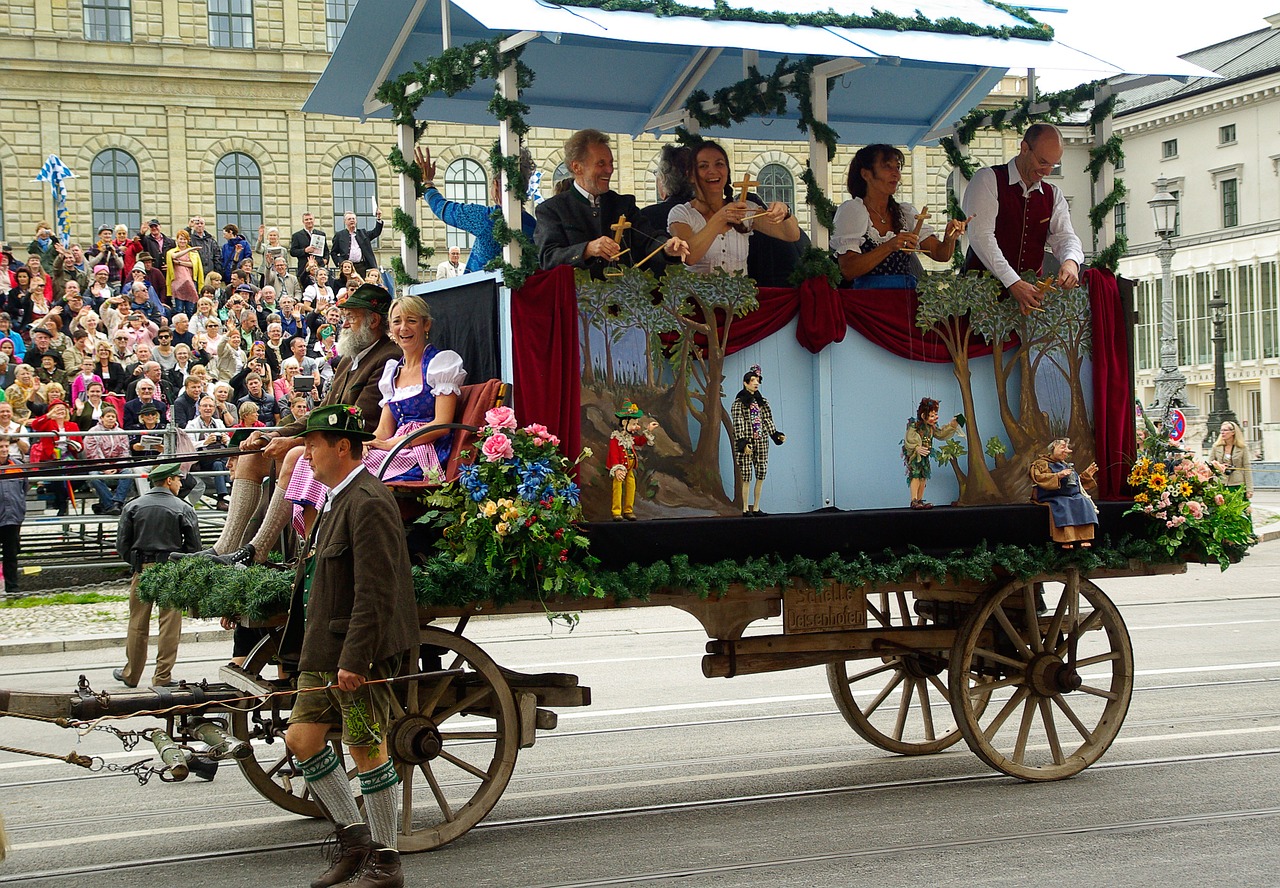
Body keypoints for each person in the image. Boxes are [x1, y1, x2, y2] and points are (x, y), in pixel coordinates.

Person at [279, 404, 417, 888]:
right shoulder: (336, 498)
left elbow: (377, 591)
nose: (306, 451)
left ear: (343, 447)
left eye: (314, 443)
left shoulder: (368, 500)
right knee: (302, 740)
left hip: (358, 653)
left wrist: (357, 658)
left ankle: (386, 862)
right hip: (324, 649)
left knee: (365, 747)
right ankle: (355, 843)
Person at [178, 284, 399, 567]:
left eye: (351, 317)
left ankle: (254, 552)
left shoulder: (386, 357)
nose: (343, 323)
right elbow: (321, 412)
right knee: (251, 455)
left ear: (373, 320)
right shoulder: (348, 359)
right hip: (328, 441)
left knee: (293, 456)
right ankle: (224, 548)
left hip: (353, 447)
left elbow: (357, 421)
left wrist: (294, 442)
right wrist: (274, 433)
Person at [961, 122, 1085, 314]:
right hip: (980, 299)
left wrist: (1071, 261)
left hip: (1029, 304)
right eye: (1043, 162)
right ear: (1024, 148)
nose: (1047, 171)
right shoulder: (988, 179)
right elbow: (981, 236)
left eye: (1054, 164)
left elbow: (1065, 236)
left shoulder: (1053, 195)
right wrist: (1013, 282)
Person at [534, 129, 689, 277]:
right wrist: (588, 249)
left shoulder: (623, 204)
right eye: (601, 164)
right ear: (577, 167)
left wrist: (667, 248)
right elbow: (548, 258)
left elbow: (649, 240)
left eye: (611, 163)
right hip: (575, 300)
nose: (609, 170)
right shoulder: (551, 209)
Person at [112, 463, 200, 688]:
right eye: (178, 480)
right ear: (168, 480)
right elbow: (194, 548)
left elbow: (122, 544)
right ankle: (162, 677)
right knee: (169, 625)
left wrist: (137, 564)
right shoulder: (183, 507)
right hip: (171, 570)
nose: (181, 484)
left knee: (137, 623)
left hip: (143, 568)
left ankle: (131, 674)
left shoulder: (133, 505)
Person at [363, 296, 465, 482]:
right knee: (334, 463)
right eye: (397, 321)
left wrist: (394, 443)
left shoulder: (439, 364)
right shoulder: (392, 371)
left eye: (411, 320)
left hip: (424, 450)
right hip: (395, 448)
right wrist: (366, 444)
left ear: (426, 325)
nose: (403, 328)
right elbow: (384, 429)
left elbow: (442, 424)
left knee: (350, 472)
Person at [832, 144, 967, 283]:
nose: (896, 173)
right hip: (864, 300)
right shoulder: (852, 211)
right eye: (887, 167)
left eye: (897, 167)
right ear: (865, 174)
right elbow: (848, 270)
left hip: (903, 299)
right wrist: (889, 246)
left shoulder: (904, 213)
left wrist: (949, 238)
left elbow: (940, 254)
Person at [668, 140, 800, 275]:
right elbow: (689, 256)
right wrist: (721, 217)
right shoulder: (682, 213)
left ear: (727, 171)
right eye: (703, 166)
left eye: (719, 164)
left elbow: (792, 235)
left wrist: (785, 212)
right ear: (691, 175)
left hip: (740, 295)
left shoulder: (746, 209)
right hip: (696, 296)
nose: (712, 171)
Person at [415, 145, 537, 274]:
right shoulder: (533, 225)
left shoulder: (486, 218)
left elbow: (443, 209)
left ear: (495, 185)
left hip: (483, 292)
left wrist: (428, 182)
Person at [730, 365, 785, 516]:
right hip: (747, 442)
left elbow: (767, 419)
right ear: (745, 382)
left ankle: (756, 507)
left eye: (757, 380)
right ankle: (745, 508)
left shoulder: (763, 402)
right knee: (746, 475)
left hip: (761, 441)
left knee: (761, 473)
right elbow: (738, 422)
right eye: (752, 380)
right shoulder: (739, 403)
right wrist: (742, 442)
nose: (756, 383)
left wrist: (775, 434)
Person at [1030, 438, 1099, 549]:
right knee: (1064, 505)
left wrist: (1086, 475)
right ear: (1053, 448)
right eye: (1063, 447)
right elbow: (1039, 477)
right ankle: (1066, 539)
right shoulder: (1041, 464)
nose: (1067, 451)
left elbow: (1076, 483)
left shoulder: (1066, 465)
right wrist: (1058, 476)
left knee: (1084, 502)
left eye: (1067, 448)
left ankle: (1085, 537)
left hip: (1072, 496)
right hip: (1054, 496)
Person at [903, 397, 960, 510]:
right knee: (915, 475)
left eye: (936, 415)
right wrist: (916, 447)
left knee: (924, 476)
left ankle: (920, 499)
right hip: (916, 456)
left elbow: (941, 434)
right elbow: (908, 438)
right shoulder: (915, 426)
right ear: (924, 416)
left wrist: (952, 425)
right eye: (932, 415)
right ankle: (913, 500)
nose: (935, 418)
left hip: (925, 456)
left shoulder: (932, 428)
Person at [29, 400, 82, 515]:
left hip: (68, 458)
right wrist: (48, 416)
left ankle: (61, 497)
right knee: (56, 473)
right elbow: (35, 425)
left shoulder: (73, 425)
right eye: (57, 409)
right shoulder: (47, 424)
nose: (60, 411)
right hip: (50, 459)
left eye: (63, 408)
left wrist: (73, 446)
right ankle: (62, 503)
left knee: (83, 475)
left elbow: (80, 445)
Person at [608, 400, 657, 522]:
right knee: (618, 487)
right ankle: (616, 511)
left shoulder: (631, 438)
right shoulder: (616, 438)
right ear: (625, 422)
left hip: (630, 468)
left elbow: (640, 441)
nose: (637, 427)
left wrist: (648, 430)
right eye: (634, 424)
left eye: (637, 424)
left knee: (631, 487)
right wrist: (617, 468)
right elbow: (613, 454)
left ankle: (628, 510)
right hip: (620, 468)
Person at [85, 406, 133, 515]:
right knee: (94, 476)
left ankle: (117, 502)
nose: (111, 418)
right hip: (98, 465)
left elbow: (125, 452)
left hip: (117, 465)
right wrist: (104, 466)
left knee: (128, 472)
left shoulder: (121, 432)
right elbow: (93, 453)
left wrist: (117, 466)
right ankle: (111, 505)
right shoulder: (93, 432)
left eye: (113, 416)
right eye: (108, 416)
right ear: (101, 418)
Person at [186, 395, 230, 509]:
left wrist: (226, 440)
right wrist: (205, 442)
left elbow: (228, 441)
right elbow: (189, 444)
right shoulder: (192, 424)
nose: (208, 408)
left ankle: (221, 500)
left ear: (214, 408)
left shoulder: (219, 422)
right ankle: (230, 485)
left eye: (210, 406)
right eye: (205, 406)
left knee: (218, 464)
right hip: (202, 458)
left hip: (218, 457)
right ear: (199, 408)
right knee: (222, 461)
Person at [0, 434, 26, 598]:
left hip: (12, 517)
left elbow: (24, 486)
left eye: (5, 447)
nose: (3, 450)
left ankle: (12, 587)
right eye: (0, 447)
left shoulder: (17, 465)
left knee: (11, 553)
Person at [1210, 420, 1253, 500]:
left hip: (1237, 483)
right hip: (1221, 484)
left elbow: (1247, 468)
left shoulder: (1242, 448)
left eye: (1225, 430)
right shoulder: (1216, 447)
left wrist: (1249, 489)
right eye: (1221, 430)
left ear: (1233, 432)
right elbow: (1209, 465)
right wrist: (1218, 466)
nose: (1223, 432)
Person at [331, 211, 384, 277]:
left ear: (356, 221)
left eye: (353, 219)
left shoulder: (363, 233)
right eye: (349, 219)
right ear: (345, 222)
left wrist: (378, 219)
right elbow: (333, 252)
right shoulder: (339, 235)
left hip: (361, 266)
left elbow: (376, 232)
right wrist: (339, 263)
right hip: (347, 267)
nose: (352, 220)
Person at [165, 229, 204, 317]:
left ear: (188, 240)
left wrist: (179, 263)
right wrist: (189, 249)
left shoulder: (194, 253)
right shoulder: (171, 252)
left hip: (190, 283)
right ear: (177, 240)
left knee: (190, 310)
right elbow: (174, 256)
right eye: (180, 239)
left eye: (184, 239)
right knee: (179, 309)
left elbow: (195, 265)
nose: (182, 241)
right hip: (177, 284)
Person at [289, 212, 329, 283]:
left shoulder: (321, 234)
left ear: (314, 220)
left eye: (310, 219)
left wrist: (325, 260)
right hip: (304, 268)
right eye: (306, 219)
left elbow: (326, 250)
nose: (309, 221)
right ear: (303, 221)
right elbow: (293, 251)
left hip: (319, 267)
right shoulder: (297, 235)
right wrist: (305, 250)